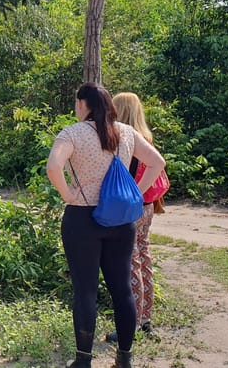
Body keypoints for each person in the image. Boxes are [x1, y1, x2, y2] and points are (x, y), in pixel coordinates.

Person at [46, 84, 165, 368]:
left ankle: (84, 359)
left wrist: (67, 194)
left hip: (82, 219)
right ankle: (124, 358)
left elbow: (53, 166)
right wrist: (136, 192)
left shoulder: (72, 133)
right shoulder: (125, 131)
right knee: (122, 288)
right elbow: (157, 162)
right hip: (120, 220)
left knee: (85, 290)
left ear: (82, 104)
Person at [107, 92, 160, 343]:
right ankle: (146, 317)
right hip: (148, 206)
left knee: (131, 262)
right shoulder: (146, 137)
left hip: (132, 207)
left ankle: (133, 321)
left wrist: (133, 195)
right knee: (144, 255)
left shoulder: (125, 139)